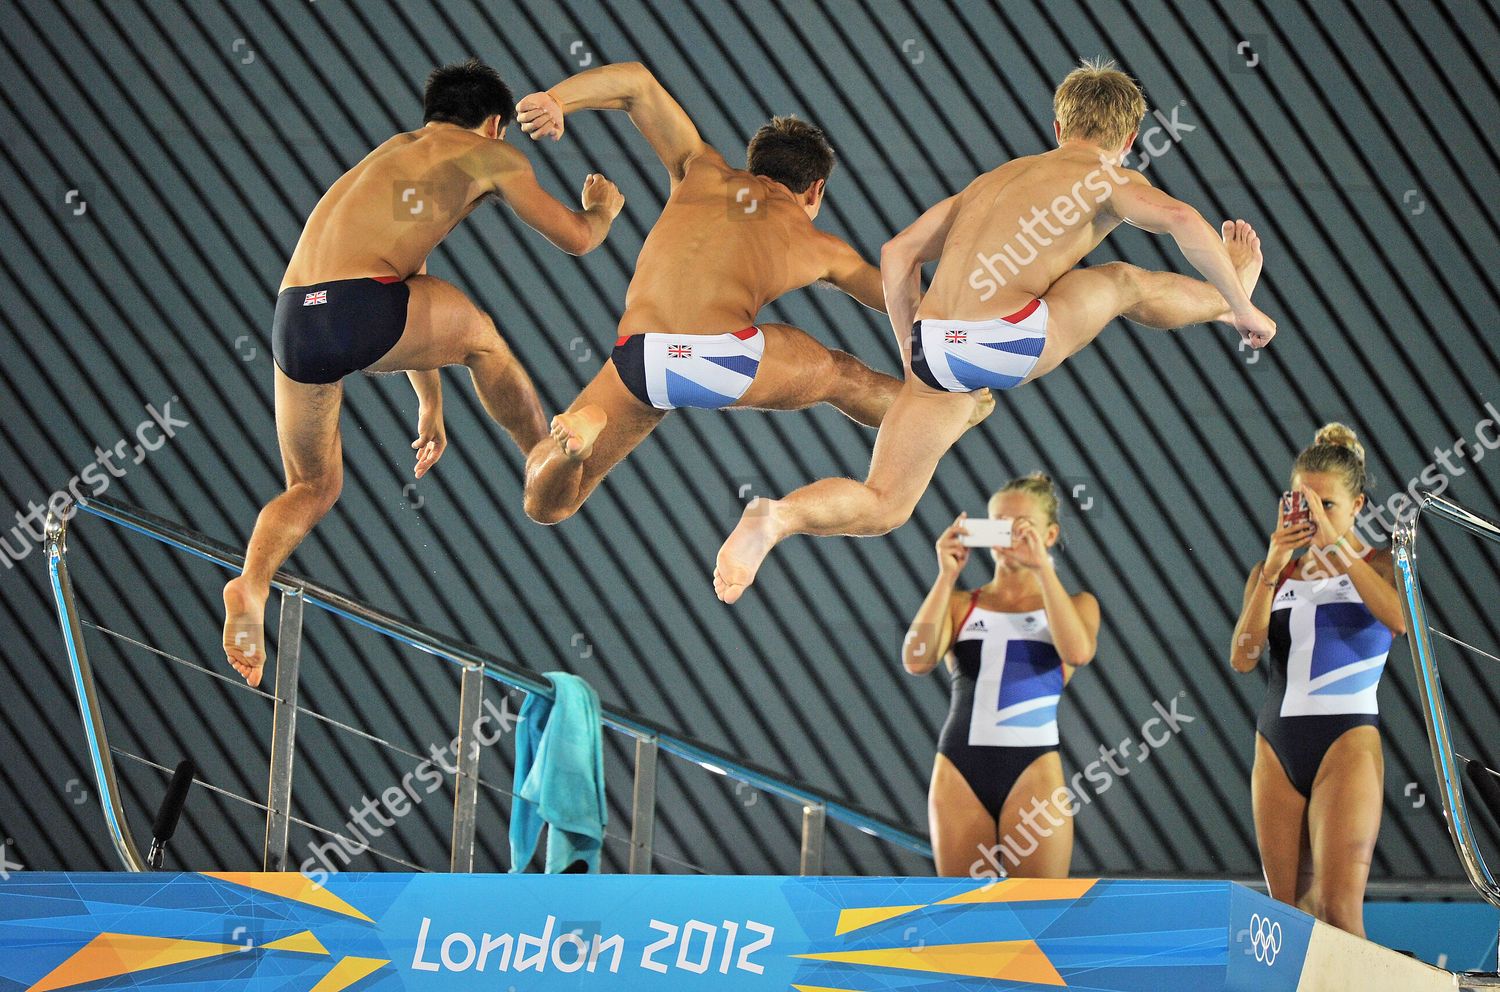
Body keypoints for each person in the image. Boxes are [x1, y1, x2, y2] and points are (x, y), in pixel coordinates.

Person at [713, 58, 1276, 604]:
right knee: (1123, 281)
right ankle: (1225, 304)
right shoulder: (1109, 177)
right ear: (1129, 138)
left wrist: (911, 349)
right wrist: (1242, 304)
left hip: (937, 348)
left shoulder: (993, 180)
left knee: (883, 502)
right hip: (1005, 340)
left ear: (1058, 128)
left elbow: (897, 253)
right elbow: (1181, 221)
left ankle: (777, 516)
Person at [222, 59, 625, 687]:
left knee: (312, 484)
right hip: (360, 306)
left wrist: (430, 406)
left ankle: (251, 583)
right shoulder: (489, 156)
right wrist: (600, 211)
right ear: (495, 124)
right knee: (485, 343)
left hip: (295, 320)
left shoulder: (391, 157)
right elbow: (574, 238)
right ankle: (542, 458)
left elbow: (406, 283)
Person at [512, 62, 934, 524]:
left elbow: (637, 84)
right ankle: (946, 412)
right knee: (841, 376)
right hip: (722, 359)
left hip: (643, 358)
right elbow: (901, 299)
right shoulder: (821, 246)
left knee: (547, 503)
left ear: (755, 165)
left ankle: (571, 451)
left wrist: (556, 100)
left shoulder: (699, 170)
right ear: (815, 191)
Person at [1228, 423, 1406, 937]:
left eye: (1327, 504)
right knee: (1288, 915)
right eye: (1304, 502)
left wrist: (1338, 550)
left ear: (1359, 506)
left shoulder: (1383, 562)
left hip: (1346, 740)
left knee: (1338, 910)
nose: (1314, 516)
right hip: (1277, 743)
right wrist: (1272, 568)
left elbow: (1397, 620)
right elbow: (1243, 658)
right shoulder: (1275, 572)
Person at [903, 475, 1099, 878]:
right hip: (959, 767)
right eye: (999, 523)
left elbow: (1077, 652)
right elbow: (916, 660)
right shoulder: (960, 603)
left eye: (1021, 525)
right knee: (964, 917)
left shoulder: (1078, 604)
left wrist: (1041, 568)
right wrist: (946, 576)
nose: (1009, 535)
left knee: (1034, 920)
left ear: (1050, 533)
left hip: (1033, 768)